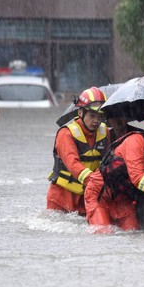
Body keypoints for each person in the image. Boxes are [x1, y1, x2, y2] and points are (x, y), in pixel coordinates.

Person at [46, 86, 110, 216]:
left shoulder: (105, 131)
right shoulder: (66, 134)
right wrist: (95, 181)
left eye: (100, 116)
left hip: (87, 197)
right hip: (61, 198)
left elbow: (107, 162)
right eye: (92, 116)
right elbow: (73, 164)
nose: (96, 120)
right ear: (80, 112)